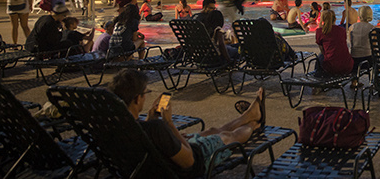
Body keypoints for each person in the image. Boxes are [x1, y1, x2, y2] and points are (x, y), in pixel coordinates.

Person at [108, 69, 266, 177]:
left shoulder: (114, 127)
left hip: (159, 159)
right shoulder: (156, 128)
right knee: (227, 136)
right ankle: (254, 123)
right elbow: (189, 160)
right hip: (191, 163)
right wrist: (169, 124)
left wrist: (152, 118)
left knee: (211, 130)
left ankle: (248, 116)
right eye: (145, 93)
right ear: (137, 99)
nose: (145, 97)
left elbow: (144, 139)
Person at [315, 10, 354, 76]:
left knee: (320, 56)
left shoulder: (320, 32)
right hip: (347, 65)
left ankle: (317, 76)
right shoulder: (342, 30)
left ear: (322, 19)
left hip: (331, 67)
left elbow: (322, 51)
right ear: (335, 19)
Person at [347, 6, 374, 89]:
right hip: (368, 60)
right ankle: (376, 81)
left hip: (354, 60)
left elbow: (349, 42)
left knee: (355, 53)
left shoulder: (352, 27)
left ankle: (354, 81)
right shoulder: (372, 28)